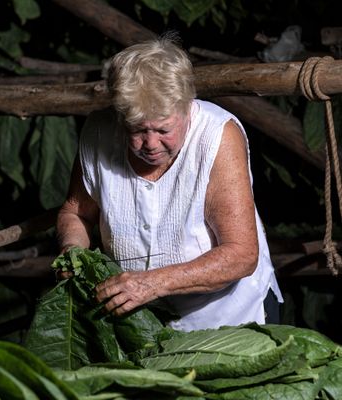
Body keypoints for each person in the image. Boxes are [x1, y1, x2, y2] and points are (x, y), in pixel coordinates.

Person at [56, 36, 282, 332]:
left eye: (163, 129)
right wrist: (72, 252)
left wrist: (152, 283)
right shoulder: (98, 132)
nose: (150, 144)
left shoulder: (217, 137)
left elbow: (241, 255)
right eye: (136, 129)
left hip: (228, 319)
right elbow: (77, 212)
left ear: (187, 107)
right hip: (141, 325)